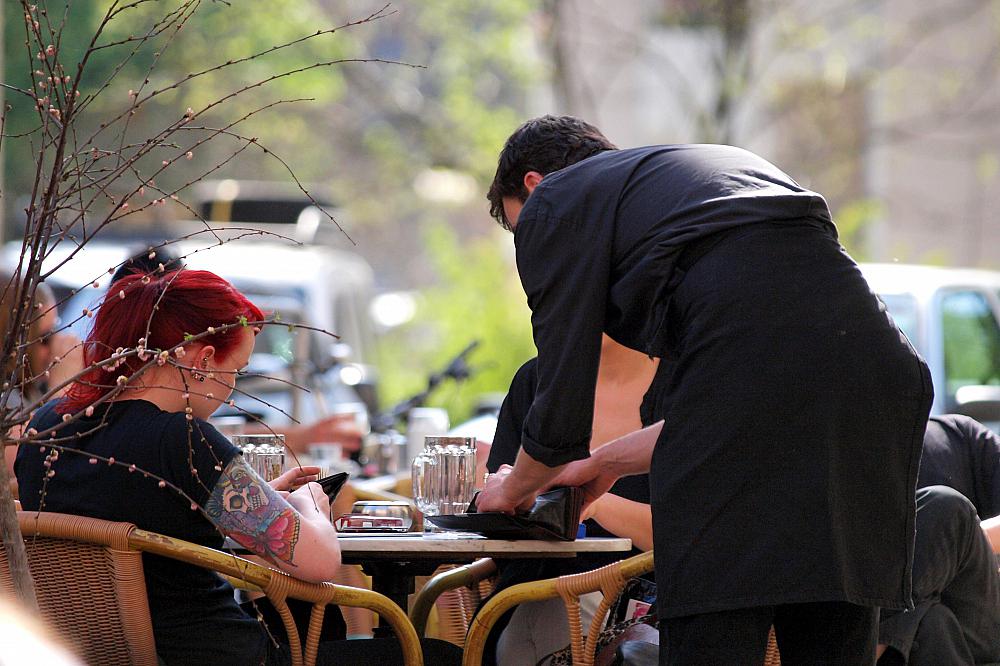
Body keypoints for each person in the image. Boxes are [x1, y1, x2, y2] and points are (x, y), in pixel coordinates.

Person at [474, 115, 934, 664]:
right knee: (830, 622)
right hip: (880, 381)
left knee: (717, 624)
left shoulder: (557, 202)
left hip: (786, 397)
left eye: (517, 228)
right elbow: (735, 400)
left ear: (532, 185)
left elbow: (561, 392)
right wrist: (606, 464)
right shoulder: (705, 182)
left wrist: (511, 490)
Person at [14, 268, 460, 665]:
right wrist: (310, 505)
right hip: (216, 651)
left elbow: (143, 512)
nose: (232, 387)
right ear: (204, 360)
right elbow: (321, 561)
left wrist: (264, 501)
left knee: (318, 625)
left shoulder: (49, 426)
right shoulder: (184, 441)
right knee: (434, 654)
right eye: (236, 370)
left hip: (87, 651)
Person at [486, 336, 657, 665]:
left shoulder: (683, 384)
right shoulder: (536, 380)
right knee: (543, 613)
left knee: (554, 614)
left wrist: (596, 503)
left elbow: (703, 531)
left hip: (644, 605)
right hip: (529, 587)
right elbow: (494, 517)